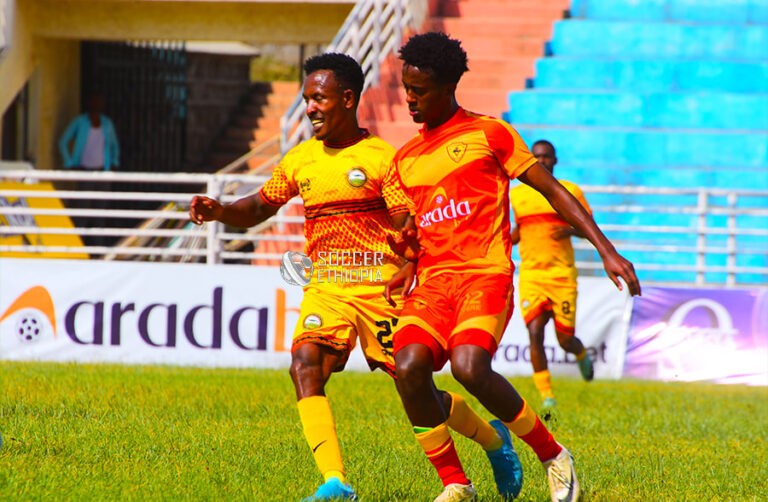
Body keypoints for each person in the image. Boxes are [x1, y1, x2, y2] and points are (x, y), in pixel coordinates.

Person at [189, 53, 523, 502]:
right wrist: (221, 211)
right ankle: (336, 482)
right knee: (305, 364)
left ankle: (493, 438)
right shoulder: (300, 160)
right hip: (326, 288)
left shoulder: (383, 159)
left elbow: (405, 220)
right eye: (306, 99)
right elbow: (259, 207)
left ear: (347, 99)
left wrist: (407, 243)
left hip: (379, 288)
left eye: (318, 98)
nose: (310, 107)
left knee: (416, 388)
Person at [386, 32, 641, 502]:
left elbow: (553, 191)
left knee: (468, 367)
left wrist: (606, 249)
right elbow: (416, 230)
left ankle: (553, 455)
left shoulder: (490, 134)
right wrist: (406, 259)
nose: (409, 99)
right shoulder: (405, 158)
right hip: (434, 282)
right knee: (408, 367)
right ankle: (456, 484)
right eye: (406, 89)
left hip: (485, 275)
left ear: (447, 87)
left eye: (418, 90)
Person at [510, 140, 595, 410]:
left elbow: (588, 226)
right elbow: (520, 229)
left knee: (565, 339)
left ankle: (580, 353)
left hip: (561, 275)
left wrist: (570, 230)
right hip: (532, 275)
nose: (542, 161)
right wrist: (502, 240)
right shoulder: (518, 195)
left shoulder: (569, 190)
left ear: (555, 160)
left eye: (546, 157)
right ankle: (547, 396)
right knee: (535, 331)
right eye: (536, 157)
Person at [58, 91, 120, 247]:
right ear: (89, 103)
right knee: (82, 213)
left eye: (99, 101)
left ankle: (98, 249)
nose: (97, 104)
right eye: (94, 101)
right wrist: (70, 163)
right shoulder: (80, 122)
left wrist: (113, 162)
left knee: (100, 214)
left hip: (103, 173)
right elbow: (63, 142)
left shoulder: (107, 124)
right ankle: (78, 248)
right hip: (85, 173)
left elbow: (114, 146)